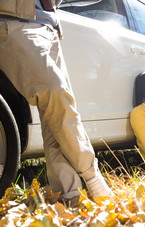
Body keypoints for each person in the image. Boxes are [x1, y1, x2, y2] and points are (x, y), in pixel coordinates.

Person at [0, 0, 112, 203]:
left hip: (49, 28)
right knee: (56, 92)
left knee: (54, 112)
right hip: (12, 21)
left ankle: (68, 196)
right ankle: (92, 176)